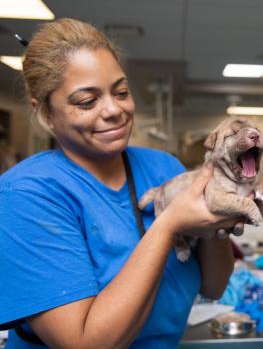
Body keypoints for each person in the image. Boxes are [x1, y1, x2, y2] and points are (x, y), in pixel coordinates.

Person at [0, 18, 241, 349]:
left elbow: (214, 287)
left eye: (121, 92)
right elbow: (85, 344)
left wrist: (215, 222)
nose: (114, 110)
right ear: (45, 113)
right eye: (87, 101)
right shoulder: (27, 195)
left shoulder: (163, 168)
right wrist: (168, 225)